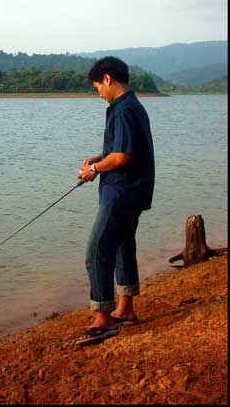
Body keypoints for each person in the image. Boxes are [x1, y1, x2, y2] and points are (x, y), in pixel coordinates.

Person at [76, 56, 155, 346]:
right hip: (134, 191)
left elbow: (122, 157)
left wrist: (93, 170)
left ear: (107, 79)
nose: (98, 92)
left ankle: (104, 319)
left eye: (98, 85)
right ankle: (126, 309)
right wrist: (100, 157)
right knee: (122, 247)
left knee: (96, 252)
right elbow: (122, 150)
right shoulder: (131, 106)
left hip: (122, 192)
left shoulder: (123, 110)